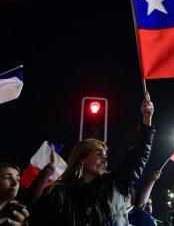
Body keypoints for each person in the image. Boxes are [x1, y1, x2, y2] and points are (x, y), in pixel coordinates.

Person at [30, 93, 155, 226]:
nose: (105, 161)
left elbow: (138, 155)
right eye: (98, 154)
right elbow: (35, 212)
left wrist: (146, 120)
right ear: (82, 159)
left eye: (105, 156)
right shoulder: (61, 193)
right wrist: (48, 171)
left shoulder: (115, 185)